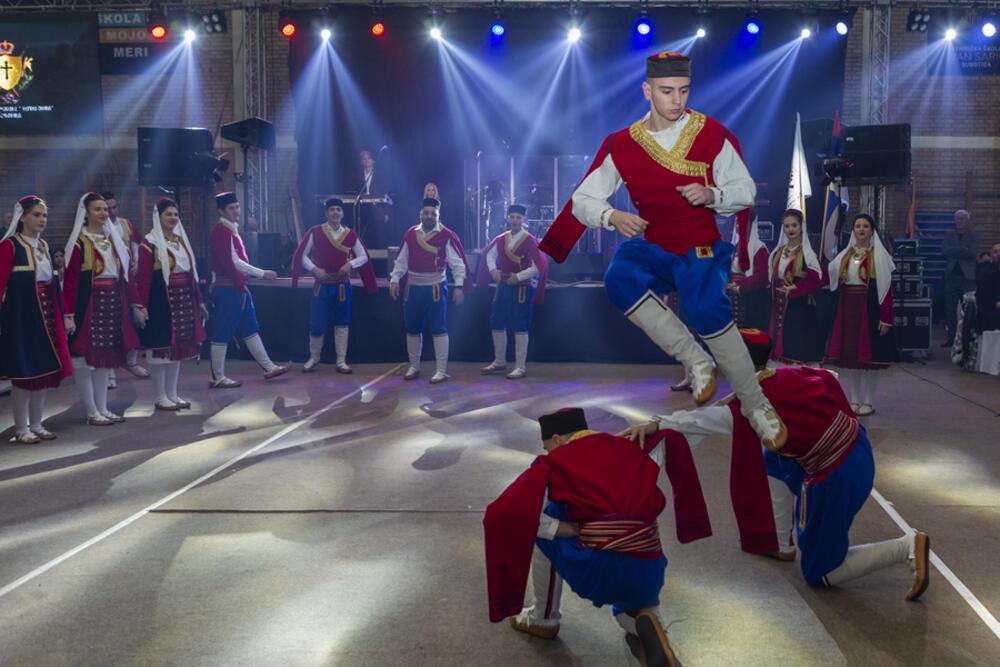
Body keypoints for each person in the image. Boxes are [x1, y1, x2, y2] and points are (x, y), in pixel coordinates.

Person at [540, 51, 786, 450]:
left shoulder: (711, 134)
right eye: (667, 91)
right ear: (647, 90)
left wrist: (712, 194)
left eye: (684, 91)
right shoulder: (621, 144)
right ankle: (695, 359)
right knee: (618, 278)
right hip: (653, 244)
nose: (677, 100)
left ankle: (757, 405)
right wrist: (612, 216)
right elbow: (583, 199)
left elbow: (745, 190)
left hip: (699, 244)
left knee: (705, 307)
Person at [623, 329, 930, 601]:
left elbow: (698, 421)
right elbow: (830, 378)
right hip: (856, 448)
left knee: (821, 572)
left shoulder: (753, 408)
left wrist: (657, 423)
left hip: (836, 477)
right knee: (773, 457)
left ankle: (905, 546)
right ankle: (781, 544)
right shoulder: (787, 374)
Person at [484, 407, 702, 666]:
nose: (548, 452)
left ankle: (543, 618)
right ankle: (650, 626)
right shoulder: (633, 446)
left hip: (599, 570)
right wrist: (657, 424)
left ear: (557, 439)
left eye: (547, 447)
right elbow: (676, 437)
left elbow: (506, 513)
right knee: (635, 608)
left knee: (543, 519)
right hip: (650, 565)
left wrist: (565, 528)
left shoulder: (554, 463)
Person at [0, 196, 73, 442]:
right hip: (22, 319)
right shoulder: (10, 246)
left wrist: (65, 315)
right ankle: (21, 429)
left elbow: (53, 285)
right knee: (24, 376)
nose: (42, 220)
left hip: (46, 317)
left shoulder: (43, 245)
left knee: (42, 372)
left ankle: (37, 424)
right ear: (22, 217)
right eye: (36, 215)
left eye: (44, 215)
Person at [62, 192, 140, 425]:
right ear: (86, 213)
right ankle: (91, 411)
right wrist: (69, 314)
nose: (103, 213)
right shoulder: (79, 243)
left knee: (104, 361)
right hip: (88, 306)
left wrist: (136, 304)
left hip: (112, 304)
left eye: (105, 209)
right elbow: (70, 282)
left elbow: (126, 276)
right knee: (85, 362)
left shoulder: (113, 241)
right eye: (97, 209)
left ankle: (103, 408)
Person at [130, 199, 207, 411]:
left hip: (183, 300)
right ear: (158, 217)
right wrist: (141, 306)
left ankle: (172, 394)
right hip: (161, 302)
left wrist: (199, 301)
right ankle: (160, 396)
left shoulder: (181, 241)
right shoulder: (149, 245)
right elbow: (143, 279)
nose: (173, 218)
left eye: (175, 214)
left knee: (177, 351)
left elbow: (191, 275)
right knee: (160, 350)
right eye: (168, 214)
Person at [208, 192, 290, 388]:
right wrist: (262, 273)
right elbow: (234, 262)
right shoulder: (221, 231)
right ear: (221, 211)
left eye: (237, 207)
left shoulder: (230, 230)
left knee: (250, 329)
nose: (236, 211)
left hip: (238, 287)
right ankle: (218, 377)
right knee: (222, 332)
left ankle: (269, 367)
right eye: (231, 208)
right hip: (228, 288)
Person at [290, 197, 377, 373]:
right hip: (321, 286)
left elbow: (363, 257)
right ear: (326, 213)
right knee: (316, 323)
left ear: (342, 213)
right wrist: (314, 269)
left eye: (338, 209)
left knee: (342, 323)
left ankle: (341, 361)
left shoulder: (350, 234)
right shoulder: (316, 232)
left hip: (342, 287)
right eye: (332, 210)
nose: (335, 212)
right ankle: (314, 358)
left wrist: (350, 264)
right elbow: (301, 255)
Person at [389, 197, 468, 383]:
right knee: (412, 328)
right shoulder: (410, 234)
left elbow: (457, 264)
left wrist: (458, 286)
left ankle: (441, 370)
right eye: (426, 213)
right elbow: (401, 261)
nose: (429, 216)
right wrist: (394, 280)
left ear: (438, 215)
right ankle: (414, 366)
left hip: (435, 288)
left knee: (439, 328)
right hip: (413, 288)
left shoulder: (446, 235)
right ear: (420, 214)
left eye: (433, 213)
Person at [824, 214, 897, 416]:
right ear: (853, 230)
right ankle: (854, 399)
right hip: (848, 308)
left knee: (870, 360)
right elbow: (831, 273)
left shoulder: (879, 257)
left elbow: (886, 289)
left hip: (870, 309)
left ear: (872, 230)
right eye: (857, 226)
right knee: (851, 358)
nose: (861, 229)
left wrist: (886, 317)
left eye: (865, 226)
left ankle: (869, 401)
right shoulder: (845, 254)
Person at [476, 204, 548, 379]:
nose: (515, 220)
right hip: (503, 286)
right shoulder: (501, 238)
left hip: (522, 288)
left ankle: (520, 366)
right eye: (512, 217)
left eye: (518, 217)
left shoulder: (530, 240)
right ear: (508, 218)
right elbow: (489, 255)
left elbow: (538, 266)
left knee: (520, 324)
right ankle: (499, 361)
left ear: (524, 220)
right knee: (496, 321)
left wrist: (518, 276)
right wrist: (493, 271)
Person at [102, 191, 149, 381]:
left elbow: (136, 242)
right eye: (107, 208)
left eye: (114, 207)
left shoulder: (126, 224)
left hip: (130, 278)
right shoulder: (98, 229)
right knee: (111, 325)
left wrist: (136, 260)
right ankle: (109, 369)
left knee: (136, 320)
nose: (112, 211)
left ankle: (131, 362)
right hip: (111, 281)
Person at [767, 209, 823, 365]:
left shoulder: (807, 254)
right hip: (778, 305)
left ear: (801, 227)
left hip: (798, 309)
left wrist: (796, 289)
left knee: (794, 352)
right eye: (787, 226)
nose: (790, 229)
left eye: (794, 225)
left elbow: (817, 281)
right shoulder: (777, 252)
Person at [727, 212, 770, 330]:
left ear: (751, 225)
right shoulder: (735, 247)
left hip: (751, 301)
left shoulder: (760, 249)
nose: (739, 226)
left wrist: (739, 285)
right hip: (733, 299)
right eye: (737, 223)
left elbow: (761, 277)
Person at [942, 210, 979, 347]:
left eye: (963, 218)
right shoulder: (949, 235)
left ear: (968, 220)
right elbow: (944, 251)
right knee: (950, 309)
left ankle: (967, 339)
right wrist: (962, 249)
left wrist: (955, 250)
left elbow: (972, 253)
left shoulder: (973, 236)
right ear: (954, 220)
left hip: (968, 278)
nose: (960, 221)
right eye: (957, 218)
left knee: (969, 309)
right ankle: (952, 338)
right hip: (951, 277)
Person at [976, 242, 1000, 332]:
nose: (999, 254)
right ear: (991, 255)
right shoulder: (985, 272)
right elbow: (984, 296)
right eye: (995, 252)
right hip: (990, 309)